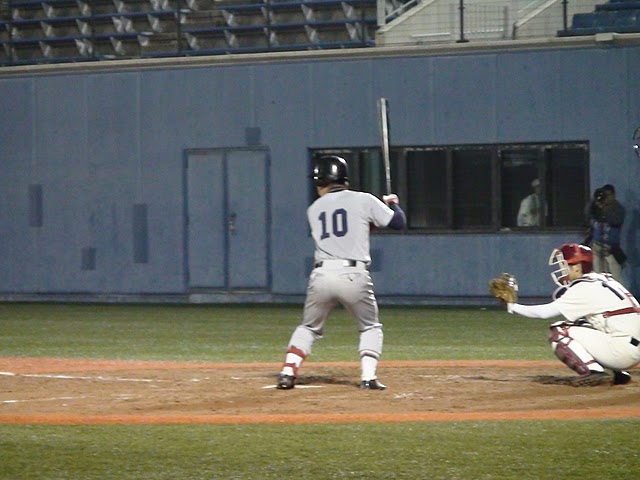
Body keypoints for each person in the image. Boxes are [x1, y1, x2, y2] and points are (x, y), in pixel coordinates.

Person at [276, 155, 406, 390]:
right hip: (353, 275)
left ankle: (288, 371)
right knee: (370, 326)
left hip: (322, 275)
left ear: (322, 181)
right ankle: (368, 377)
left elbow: (348, 230)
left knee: (309, 327)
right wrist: (393, 204)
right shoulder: (363, 199)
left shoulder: (314, 209)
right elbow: (398, 222)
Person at [504, 243, 640, 386]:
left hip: (622, 351)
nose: (562, 269)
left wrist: (512, 306)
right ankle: (616, 373)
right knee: (583, 324)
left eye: (565, 265)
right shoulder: (604, 279)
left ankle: (594, 372)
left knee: (559, 331)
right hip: (630, 346)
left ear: (577, 267)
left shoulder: (584, 287)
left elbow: (544, 313)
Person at [585, 184, 626, 282]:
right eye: (604, 195)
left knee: (616, 278)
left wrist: (604, 209)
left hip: (611, 248)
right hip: (597, 247)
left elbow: (615, 221)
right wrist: (595, 202)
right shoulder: (596, 208)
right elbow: (587, 213)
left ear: (613, 195)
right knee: (598, 278)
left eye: (608, 195)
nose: (606, 198)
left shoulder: (618, 208)